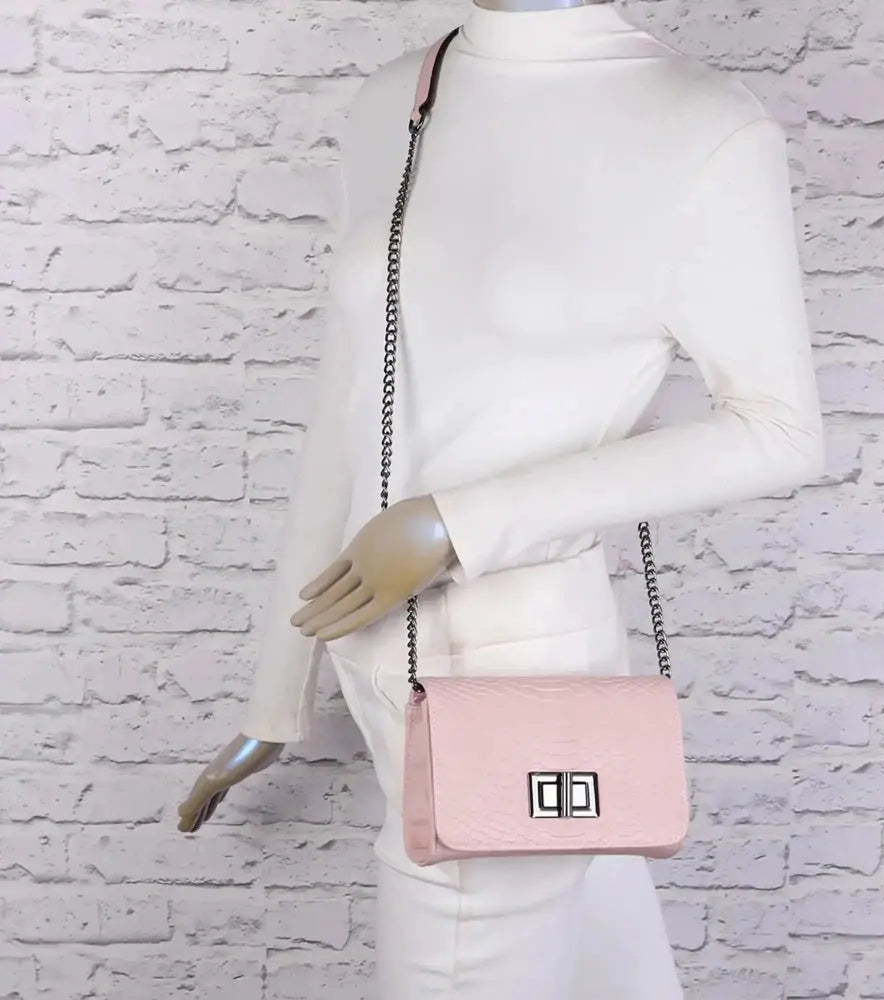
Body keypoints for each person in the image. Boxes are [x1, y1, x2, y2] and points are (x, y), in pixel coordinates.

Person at [178, 0, 825, 996]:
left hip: (521, 672)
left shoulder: (701, 124)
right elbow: (347, 410)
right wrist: (276, 693)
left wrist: (455, 524)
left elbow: (779, 429)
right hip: (375, 659)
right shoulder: (397, 98)